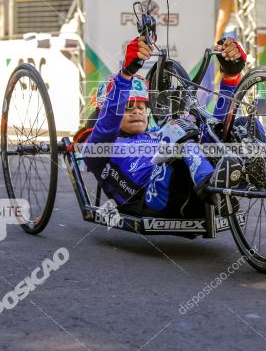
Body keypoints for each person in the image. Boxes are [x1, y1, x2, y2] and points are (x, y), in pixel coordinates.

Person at [84, 36, 248, 216]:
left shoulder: (156, 134)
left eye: (141, 106)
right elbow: (107, 124)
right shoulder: (99, 148)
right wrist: (126, 74)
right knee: (178, 129)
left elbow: (216, 132)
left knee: (240, 125)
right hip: (156, 197)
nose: (137, 111)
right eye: (127, 107)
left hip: (194, 193)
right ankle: (212, 185)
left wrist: (230, 79)